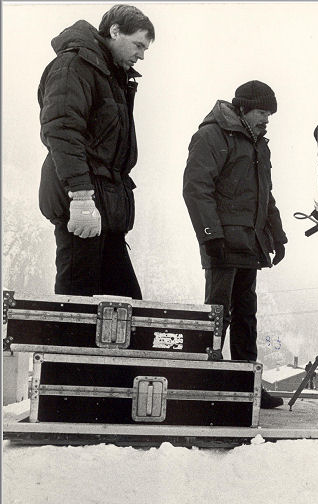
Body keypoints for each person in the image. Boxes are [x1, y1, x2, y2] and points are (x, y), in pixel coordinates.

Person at [37, 5, 155, 299]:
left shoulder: (111, 75)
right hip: (83, 205)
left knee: (126, 307)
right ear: (115, 31)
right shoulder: (75, 65)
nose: (141, 55)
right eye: (138, 44)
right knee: (78, 305)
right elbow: (62, 129)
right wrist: (81, 197)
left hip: (107, 210)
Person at [182, 80, 287, 409]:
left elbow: (264, 195)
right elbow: (196, 187)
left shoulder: (259, 145)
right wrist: (211, 236)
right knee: (217, 316)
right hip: (223, 244)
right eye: (260, 111)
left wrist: (278, 235)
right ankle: (206, 384)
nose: (266, 119)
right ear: (242, 109)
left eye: (269, 113)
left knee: (246, 317)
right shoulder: (212, 136)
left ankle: (247, 386)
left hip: (250, 244)